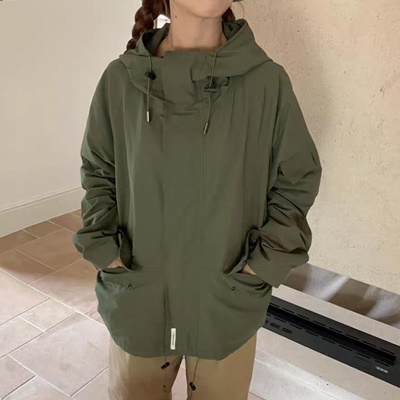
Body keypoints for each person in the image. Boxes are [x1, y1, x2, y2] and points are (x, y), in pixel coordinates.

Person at [72, 0, 322, 399]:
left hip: (226, 305)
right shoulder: (121, 80)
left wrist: (258, 269)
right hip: (139, 300)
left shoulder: (266, 83)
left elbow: (296, 179)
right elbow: (99, 172)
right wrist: (108, 255)